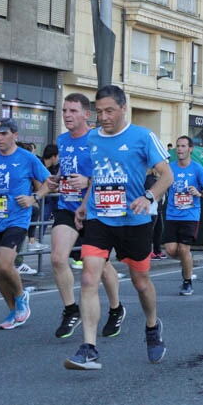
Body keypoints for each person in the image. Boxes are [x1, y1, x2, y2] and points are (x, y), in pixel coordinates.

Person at [64, 85, 171, 370]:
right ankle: (89, 348)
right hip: (100, 217)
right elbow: (97, 176)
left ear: (124, 108)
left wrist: (148, 197)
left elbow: (167, 176)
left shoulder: (142, 137)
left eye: (109, 110)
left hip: (134, 220)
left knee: (140, 282)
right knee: (88, 278)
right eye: (99, 111)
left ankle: (152, 326)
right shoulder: (93, 138)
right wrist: (85, 204)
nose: (104, 117)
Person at [45, 93, 123, 339]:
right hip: (67, 207)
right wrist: (56, 179)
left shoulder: (98, 140)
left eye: (73, 111)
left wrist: (87, 182)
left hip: (95, 210)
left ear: (86, 115)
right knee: (58, 258)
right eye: (65, 110)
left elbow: (108, 176)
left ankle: (116, 308)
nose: (67, 115)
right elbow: (68, 170)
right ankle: (71, 310)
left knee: (101, 267)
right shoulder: (62, 139)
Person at [0, 119, 51, 329]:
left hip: (17, 218)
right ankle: (12, 311)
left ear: (15, 135)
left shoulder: (27, 158)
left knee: (6, 264)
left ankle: (22, 296)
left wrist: (34, 198)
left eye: (4, 133)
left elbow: (49, 181)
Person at [163, 136, 203, 296]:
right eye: (178, 146)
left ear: (190, 149)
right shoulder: (170, 168)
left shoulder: (197, 168)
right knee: (171, 250)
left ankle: (187, 282)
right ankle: (187, 260)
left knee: (183, 248)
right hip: (172, 214)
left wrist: (199, 193)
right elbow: (161, 186)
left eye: (183, 146)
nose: (179, 149)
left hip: (190, 215)